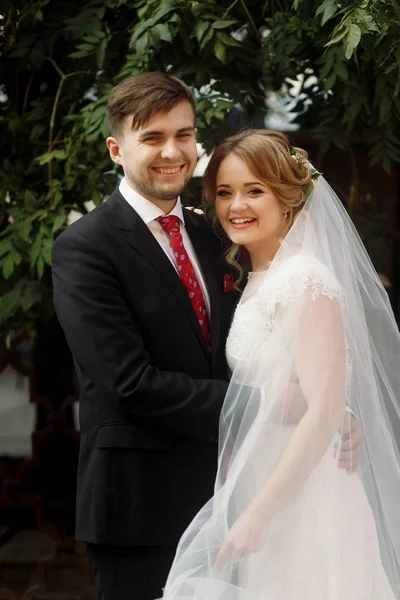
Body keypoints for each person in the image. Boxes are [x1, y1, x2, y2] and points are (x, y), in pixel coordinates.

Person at [51, 73, 363, 600]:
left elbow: (279, 341)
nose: (172, 151)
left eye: (184, 134)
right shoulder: (85, 248)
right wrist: (266, 405)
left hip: (237, 495)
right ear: (116, 148)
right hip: (141, 507)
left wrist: (329, 407)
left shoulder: (215, 230)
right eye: (151, 137)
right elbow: (130, 382)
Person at [161, 130, 400, 599]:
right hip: (263, 486)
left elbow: (325, 410)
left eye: (254, 190)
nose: (237, 206)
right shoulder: (255, 277)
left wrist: (259, 514)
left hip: (308, 502)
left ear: (288, 198)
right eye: (225, 193)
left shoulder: (305, 281)